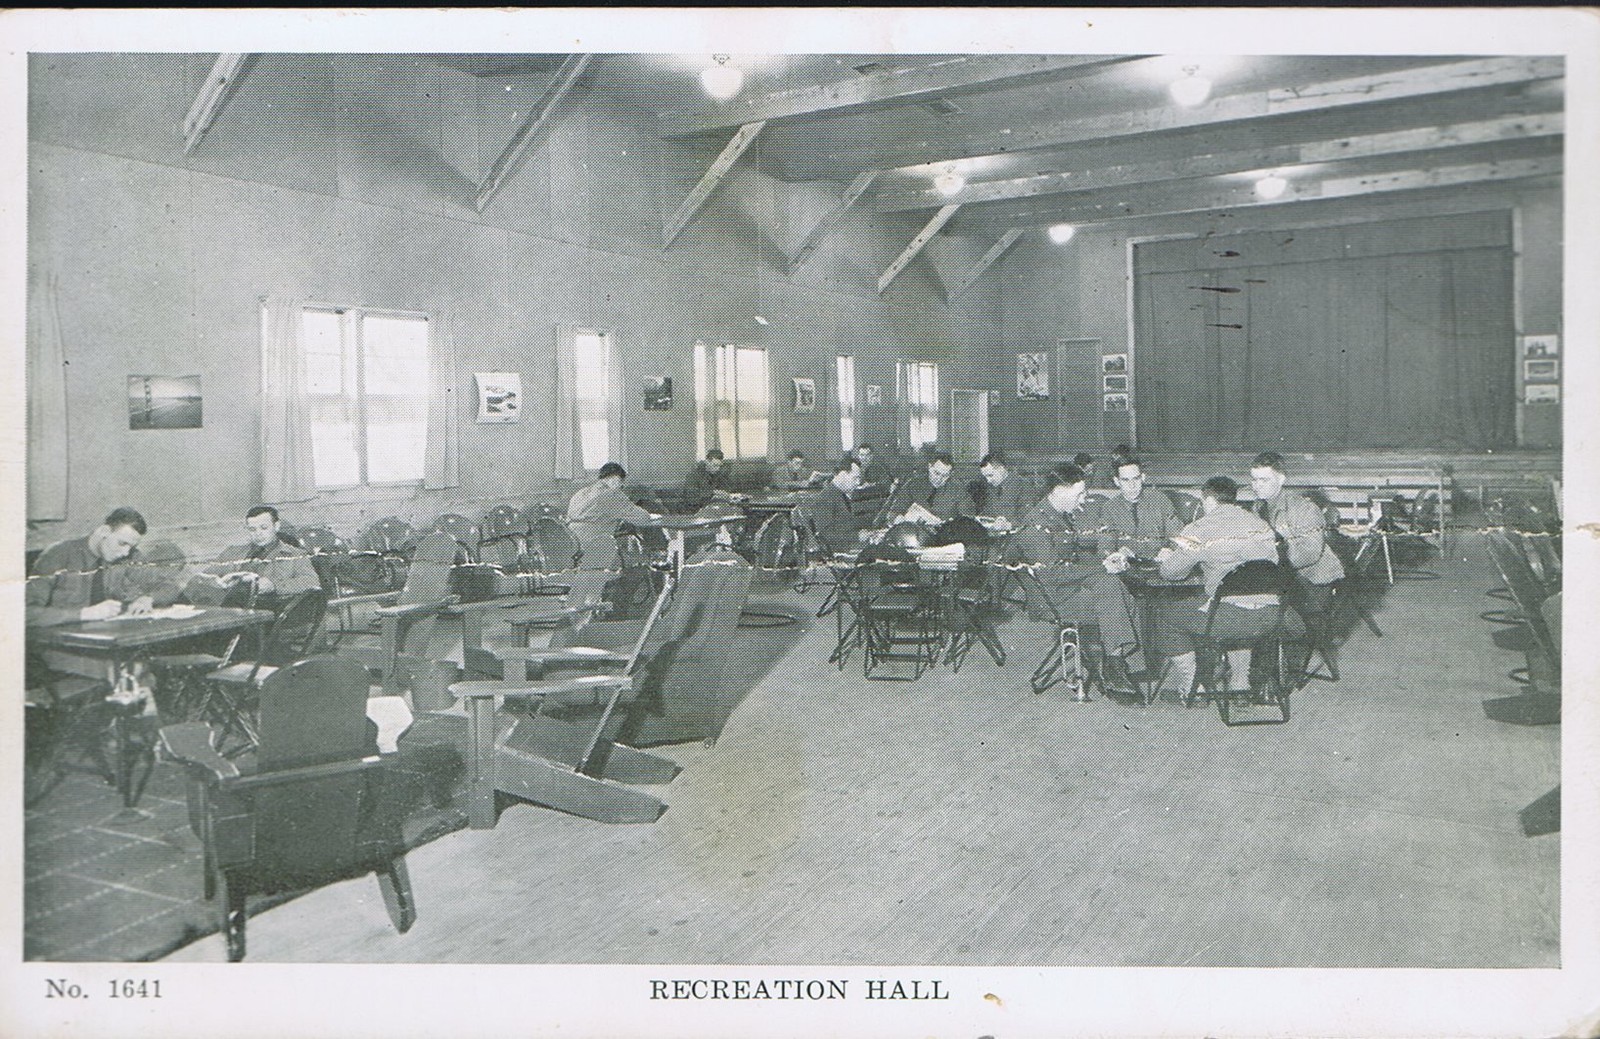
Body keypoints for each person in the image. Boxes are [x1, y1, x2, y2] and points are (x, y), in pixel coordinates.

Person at [1009, 464, 1146, 693]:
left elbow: (1072, 558)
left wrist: (1105, 560)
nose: (1083, 499)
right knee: (1117, 595)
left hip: (1069, 587)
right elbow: (1051, 574)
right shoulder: (1036, 524)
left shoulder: (1058, 515)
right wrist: (1101, 567)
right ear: (1060, 490)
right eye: (1079, 493)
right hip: (1052, 599)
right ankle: (1116, 664)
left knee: (1115, 587)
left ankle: (1114, 661)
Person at [1155, 476, 1291, 698]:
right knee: (1236, 602)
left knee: (1166, 616)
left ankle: (1193, 689)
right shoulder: (1261, 525)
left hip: (1228, 618)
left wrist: (1170, 556)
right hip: (1271, 616)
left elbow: (1171, 573)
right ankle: (1240, 684)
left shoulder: (1198, 529)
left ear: (1207, 500)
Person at [1249, 450, 1344, 680]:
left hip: (1313, 582)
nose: (1257, 486)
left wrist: (1268, 563)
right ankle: (1254, 669)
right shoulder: (1257, 507)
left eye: (1264, 480)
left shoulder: (1304, 509)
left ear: (1282, 479)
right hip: (1284, 579)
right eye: (1253, 479)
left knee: (1265, 607)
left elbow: (1309, 553)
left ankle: (1268, 674)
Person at [26, 507, 183, 627]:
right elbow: (23, 613)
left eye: (131, 546)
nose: (125, 552)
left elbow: (169, 586)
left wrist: (149, 598)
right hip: (62, 647)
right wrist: (84, 614)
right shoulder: (58, 554)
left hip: (108, 638)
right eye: (122, 543)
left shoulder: (129, 556)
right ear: (103, 531)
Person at [187, 505, 320, 609]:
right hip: (230, 609)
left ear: (276, 526)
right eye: (252, 529)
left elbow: (311, 582)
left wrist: (274, 585)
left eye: (263, 528)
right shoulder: (232, 552)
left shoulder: (295, 554)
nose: (258, 534)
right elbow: (204, 577)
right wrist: (213, 581)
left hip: (268, 613)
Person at [568, 462, 656, 572]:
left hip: (570, 545)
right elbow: (643, 518)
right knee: (636, 566)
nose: (621, 487)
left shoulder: (581, 493)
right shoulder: (612, 494)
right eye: (621, 483)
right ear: (615, 479)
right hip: (593, 547)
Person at [1095, 456, 1180, 569]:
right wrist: (1115, 556)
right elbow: (1105, 545)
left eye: (1136, 479)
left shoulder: (1161, 501)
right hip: (1127, 570)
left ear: (1143, 478)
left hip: (1160, 566)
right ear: (1116, 481)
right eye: (1125, 480)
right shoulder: (1109, 508)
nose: (1132, 485)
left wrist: (1171, 550)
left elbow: (1178, 535)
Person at [888, 450, 975, 524]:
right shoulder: (913, 485)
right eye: (936, 473)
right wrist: (898, 519)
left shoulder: (959, 489)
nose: (939, 479)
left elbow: (968, 519)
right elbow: (893, 512)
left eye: (945, 476)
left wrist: (951, 523)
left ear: (950, 474)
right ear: (930, 467)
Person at [805, 459, 870, 554]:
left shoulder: (839, 494)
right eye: (855, 478)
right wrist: (856, 536)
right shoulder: (826, 497)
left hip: (846, 547)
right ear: (843, 474)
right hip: (836, 553)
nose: (857, 483)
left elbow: (843, 524)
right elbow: (825, 535)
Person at [968, 451, 1030, 529]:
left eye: (990, 475)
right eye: (985, 477)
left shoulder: (1023, 485)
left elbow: (1028, 516)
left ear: (1001, 469)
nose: (988, 480)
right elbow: (987, 511)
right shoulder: (989, 486)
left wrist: (1009, 524)